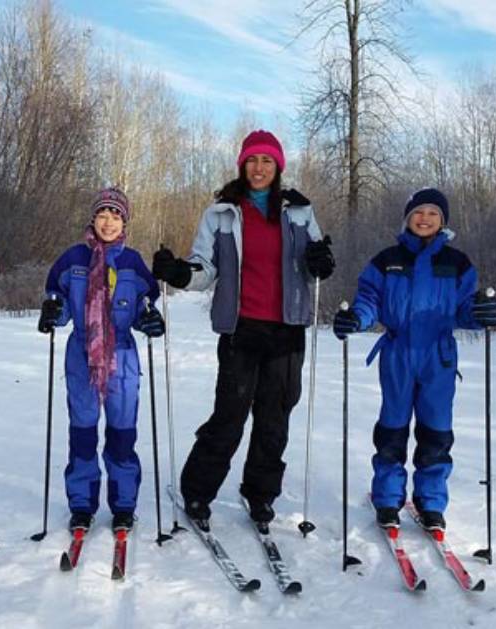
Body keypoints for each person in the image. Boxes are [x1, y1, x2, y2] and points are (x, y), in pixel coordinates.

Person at [150, 130, 335, 529]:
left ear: (278, 167)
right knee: (229, 416)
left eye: (267, 161)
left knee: (274, 419)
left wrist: (322, 261)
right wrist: (181, 273)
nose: (259, 168)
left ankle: (260, 494)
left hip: (287, 331)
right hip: (241, 329)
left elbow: (314, 262)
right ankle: (198, 492)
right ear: (242, 165)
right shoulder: (221, 212)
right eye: (253, 160)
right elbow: (206, 269)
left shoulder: (299, 211)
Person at [332, 187, 496, 531]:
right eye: (419, 212)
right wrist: (356, 319)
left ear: (443, 222)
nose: (425, 218)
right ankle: (389, 498)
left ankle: (431, 501)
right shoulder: (386, 260)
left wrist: (485, 312)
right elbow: (368, 300)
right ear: (408, 217)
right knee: (392, 428)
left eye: (433, 214)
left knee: (436, 431)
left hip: (438, 357)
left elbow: (466, 307)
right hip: (398, 354)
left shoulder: (457, 263)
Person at [37, 187, 166, 533]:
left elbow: (143, 307)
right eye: (103, 215)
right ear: (92, 218)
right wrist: (52, 311)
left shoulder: (132, 262)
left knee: (122, 434)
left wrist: (151, 320)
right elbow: (59, 302)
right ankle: (82, 504)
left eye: (116, 216)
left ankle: (123, 504)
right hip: (81, 357)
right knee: (82, 433)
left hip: (121, 358)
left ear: (124, 221)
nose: (108, 222)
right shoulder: (73, 259)